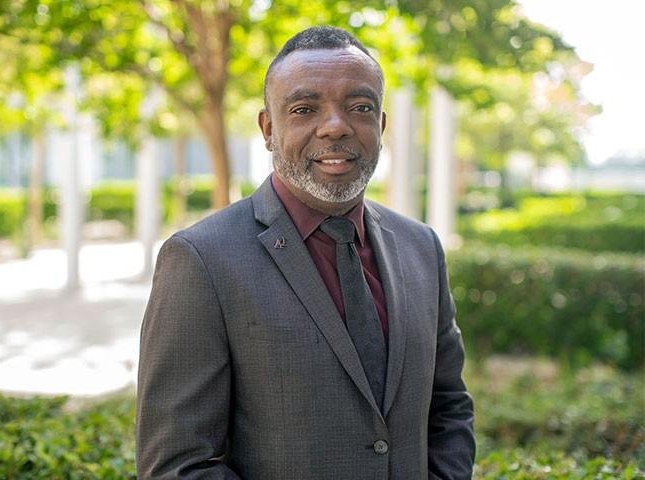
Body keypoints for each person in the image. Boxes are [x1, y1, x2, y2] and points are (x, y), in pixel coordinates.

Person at [137, 26, 475, 479]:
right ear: (269, 128)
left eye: (359, 107)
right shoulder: (201, 260)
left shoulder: (421, 248)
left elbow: (449, 407)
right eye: (304, 108)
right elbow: (177, 464)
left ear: (381, 125)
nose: (335, 126)